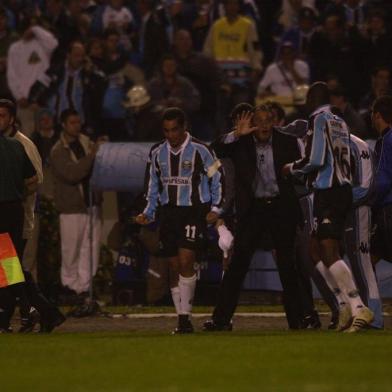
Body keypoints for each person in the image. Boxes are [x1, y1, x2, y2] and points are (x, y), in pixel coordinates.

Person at [203, 104, 308, 331]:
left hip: (281, 208)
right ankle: (221, 320)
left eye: (266, 121)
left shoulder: (288, 142)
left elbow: (304, 169)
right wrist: (236, 134)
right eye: (257, 121)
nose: (262, 126)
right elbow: (215, 149)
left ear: (273, 122)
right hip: (254, 209)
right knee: (238, 264)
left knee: (288, 265)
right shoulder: (241, 142)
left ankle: (298, 320)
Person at [282, 82, 374, 332]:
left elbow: (315, 158)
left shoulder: (318, 119)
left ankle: (358, 307)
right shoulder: (340, 121)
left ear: (312, 98)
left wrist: (292, 168)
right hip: (337, 189)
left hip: (330, 191)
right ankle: (343, 304)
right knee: (315, 249)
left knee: (329, 249)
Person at [135, 107, 224, 334]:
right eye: (166, 131)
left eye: (175, 130)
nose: (171, 135)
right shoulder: (156, 153)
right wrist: (149, 213)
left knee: (186, 259)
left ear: (184, 128)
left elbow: (218, 178)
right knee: (174, 265)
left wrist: (216, 208)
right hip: (169, 213)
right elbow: (152, 187)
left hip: (193, 211)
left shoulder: (203, 150)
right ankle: (182, 318)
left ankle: (185, 318)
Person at [50, 109, 103, 299]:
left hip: (91, 204)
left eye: (78, 122)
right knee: (71, 252)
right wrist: (92, 155)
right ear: (63, 125)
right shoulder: (58, 150)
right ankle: (69, 289)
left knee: (90, 250)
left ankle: (84, 290)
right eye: (72, 122)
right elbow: (72, 174)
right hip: (72, 208)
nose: (76, 125)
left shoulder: (86, 142)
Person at [0, 98, 39, 332]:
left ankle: (25, 311)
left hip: (7, 209)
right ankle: (26, 311)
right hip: (14, 209)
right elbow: (32, 178)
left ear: (12, 118)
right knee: (9, 266)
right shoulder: (15, 146)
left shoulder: (21, 144)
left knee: (7, 268)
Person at [7, 17, 58, 136]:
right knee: (28, 137)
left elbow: (54, 43)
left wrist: (35, 29)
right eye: (29, 27)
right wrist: (19, 96)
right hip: (25, 101)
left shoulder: (43, 45)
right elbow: (12, 75)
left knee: (46, 136)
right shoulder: (15, 48)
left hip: (44, 97)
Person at [370, 96, 392, 266]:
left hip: (388, 208)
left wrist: (370, 201)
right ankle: (369, 293)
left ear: (377, 115)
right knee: (371, 255)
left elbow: (383, 181)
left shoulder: (386, 140)